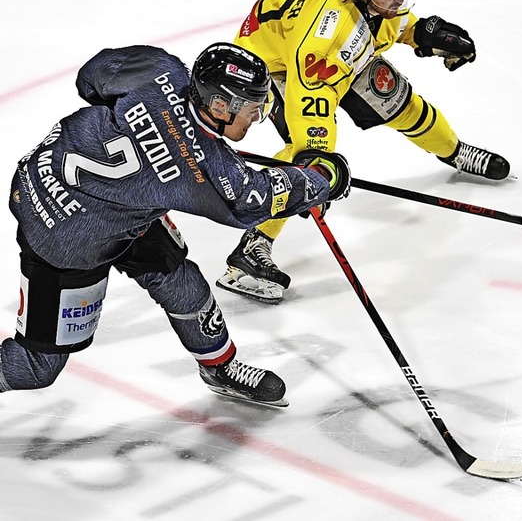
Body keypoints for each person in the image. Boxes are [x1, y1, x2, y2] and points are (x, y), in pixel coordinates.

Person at [0, 42, 351, 407]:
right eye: (251, 109)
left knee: (178, 278)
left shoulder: (160, 68)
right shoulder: (203, 170)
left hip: (57, 175)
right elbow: (254, 200)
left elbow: (92, 76)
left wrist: (145, 123)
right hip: (67, 236)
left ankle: (220, 367)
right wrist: (325, 176)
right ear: (218, 106)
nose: (256, 116)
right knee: (36, 366)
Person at [216, 0, 510, 303]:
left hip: (311, 46)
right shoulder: (326, 42)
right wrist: (316, 167)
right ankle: (251, 250)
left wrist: (424, 34)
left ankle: (455, 152)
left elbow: (392, 21)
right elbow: (313, 106)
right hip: (276, 65)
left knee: (400, 102)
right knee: (302, 158)